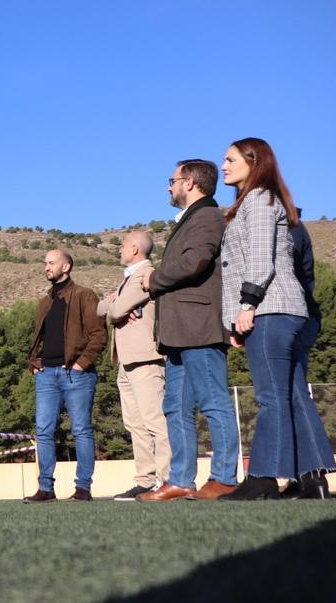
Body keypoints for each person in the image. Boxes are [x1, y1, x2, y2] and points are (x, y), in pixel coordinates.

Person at [215, 138, 336, 501]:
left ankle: (264, 478)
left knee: (270, 397)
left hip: (270, 308)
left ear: (254, 162)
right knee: (294, 393)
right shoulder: (261, 201)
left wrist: (246, 307)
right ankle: (312, 479)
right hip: (281, 310)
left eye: (229, 159)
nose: (223, 165)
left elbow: (259, 258)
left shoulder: (260, 199)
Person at [139, 159, 239, 501]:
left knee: (213, 402)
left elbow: (195, 262)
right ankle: (181, 480)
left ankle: (224, 478)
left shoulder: (209, 217)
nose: (169, 186)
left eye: (173, 179)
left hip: (199, 327)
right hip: (178, 331)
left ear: (191, 182)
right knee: (175, 408)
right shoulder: (191, 219)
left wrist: (154, 279)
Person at [24, 249, 106, 503]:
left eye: (51, 262)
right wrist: (34, 362)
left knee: (81, 430)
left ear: (66, 266)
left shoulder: (84, 296)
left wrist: (82, 364)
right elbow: (40, 338)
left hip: (76, 374)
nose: (46, 267)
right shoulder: (45, 302)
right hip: (46, 375)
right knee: (44, 431)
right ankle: (45, 489)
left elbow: (99, 335)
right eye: (45, 262)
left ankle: (83, 488)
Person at [98, 231, 169, 500]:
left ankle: (167, 478)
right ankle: (144, 479)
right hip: (126, 360)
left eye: (123, 245)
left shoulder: (144, 275)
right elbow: (101, 308)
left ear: (136, 248)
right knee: (135, 424)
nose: (119, 249)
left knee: (154, 421)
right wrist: (112, 304)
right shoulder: (127, 280)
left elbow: (113, 311)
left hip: (145, 358)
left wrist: (114, 305)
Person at [284, 208, 330, 499]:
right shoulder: (295, 225)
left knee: (293, 391)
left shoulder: (284, 225)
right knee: (292, 392)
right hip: (303, 314)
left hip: (290, 314)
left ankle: (313, 473)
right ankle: (306, 475)